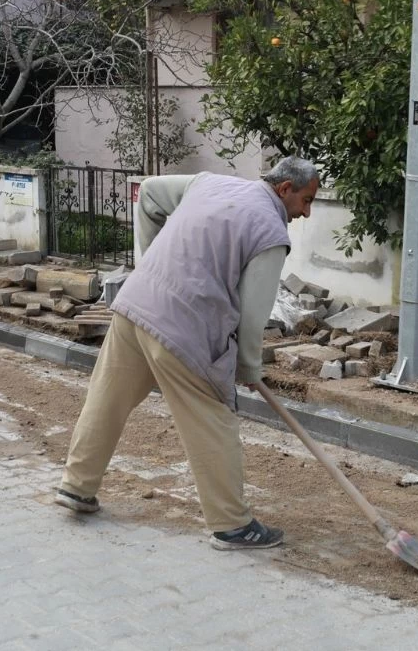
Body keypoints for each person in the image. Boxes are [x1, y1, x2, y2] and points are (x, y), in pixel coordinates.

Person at [55, 156, 320, 550]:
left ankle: (77, 487)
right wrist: (245, 369)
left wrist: (149, 263)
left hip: (136, 305)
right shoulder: (270, 232)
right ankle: (232, 525)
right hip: (186, 326)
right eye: (306, 201)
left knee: (106, 399)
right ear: (285, 190)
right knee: (212, 418)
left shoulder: (210, 183)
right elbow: (253, 316)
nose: (307, 212)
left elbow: (146, 194)